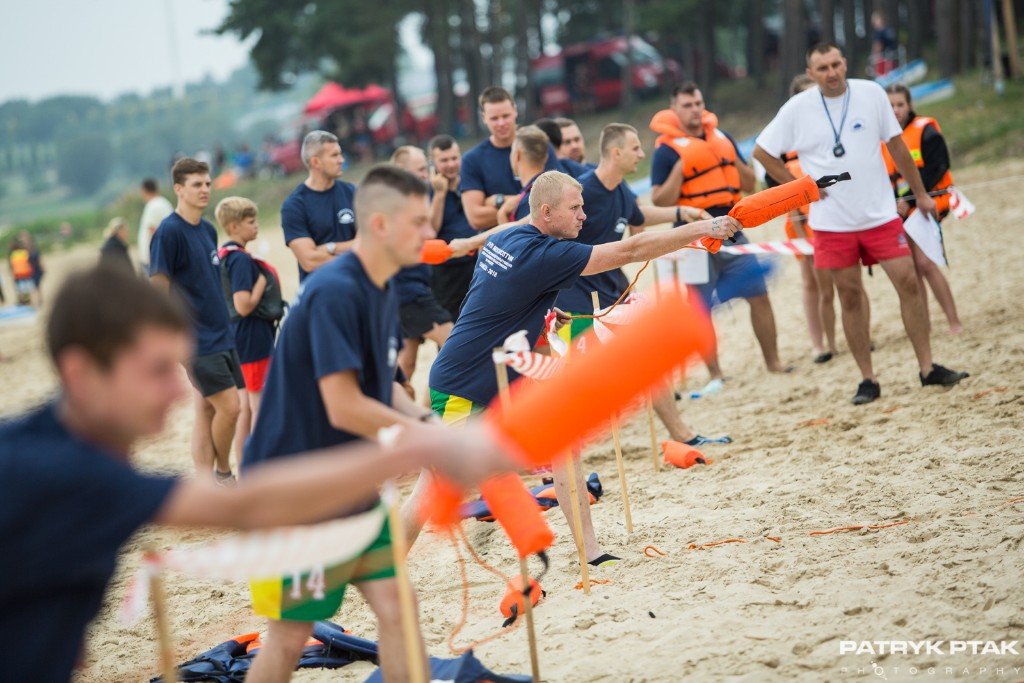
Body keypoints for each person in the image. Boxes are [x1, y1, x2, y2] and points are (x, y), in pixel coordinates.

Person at [0, 264, 509, 683]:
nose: (179, 392)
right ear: (80, 373)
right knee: (289, 635)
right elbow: (244, 504)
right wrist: (424, 445)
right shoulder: (60, 472)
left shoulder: (69, 457)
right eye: (157, 371)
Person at [427, 170, 739, 566]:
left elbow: (499, 296)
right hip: (461, 386)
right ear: (546, 212)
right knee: (431, 491)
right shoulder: (546, 255)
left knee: (564, 447)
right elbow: (631, 249)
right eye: (574, 208)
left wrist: (541, 316)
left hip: (499, 376)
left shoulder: (508, 238)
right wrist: (705, 227)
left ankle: (590, 552)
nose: (583, 216)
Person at [241, 166, 447, 682]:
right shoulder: (335, 290)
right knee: (290, 637)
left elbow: (382, 388)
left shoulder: (382, 286)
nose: (429, 233)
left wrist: (430, 421)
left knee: (399, 607)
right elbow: (345, 406)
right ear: (379, 224)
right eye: (418, 222)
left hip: (346, 484)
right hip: (295, 491)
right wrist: (427, 442)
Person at [753, 43, 968, 405]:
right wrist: (802, 188)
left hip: (880, 213)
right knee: (849, 296)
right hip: (831, 222)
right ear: (811, 73)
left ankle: (928, 367)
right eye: (823, 68)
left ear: (845, 63)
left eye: (836, 64)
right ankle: (868, 379)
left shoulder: (871, 93)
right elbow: (762, 152)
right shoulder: (797, 108)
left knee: (908, 282)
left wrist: (921, 193)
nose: (831, 73)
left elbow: (897, 146)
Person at [552, 122, 733, 448]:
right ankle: (555, 450)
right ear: (616, 152)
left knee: (647, 361)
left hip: (614, 291)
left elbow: (636, 215)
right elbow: (547, 234)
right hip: (576, 301)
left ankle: (684, 435)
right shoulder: (583, 192)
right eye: (635, 148)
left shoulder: (620, 189)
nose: (641, 153)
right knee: (577, 381)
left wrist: (681, 211)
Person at [650, 82, 788, 396]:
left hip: (732, 230)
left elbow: (750, 184)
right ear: (674, 109)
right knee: (699, 309)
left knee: (759, 294)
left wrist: (726, 157)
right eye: (687, 105)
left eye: (698, 103)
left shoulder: (722, 138)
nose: (695, 110)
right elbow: (659, 200)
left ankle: (774, 363)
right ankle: (716, 374)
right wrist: (683, 166)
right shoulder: (666, 152)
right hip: (692, 239)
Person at [150, 158, 243, 483]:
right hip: (196, 340)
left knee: (206, 409)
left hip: (223, 334)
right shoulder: (169, 232)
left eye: (207, 184)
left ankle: (205, 483)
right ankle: (223, 474)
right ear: (178, 189)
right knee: (231, 407)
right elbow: (158, 289)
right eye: (196, 184)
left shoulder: (207, 229)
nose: (205, 190)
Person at [883, 83, 963, 334]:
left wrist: (910, 198)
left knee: (926, 264)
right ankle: (923, 325)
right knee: (912, 269)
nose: (895, 110)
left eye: (900, 104)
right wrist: (894, 202)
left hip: (924, 204)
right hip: (896, 209)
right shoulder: (880, 137)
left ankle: (954, 322)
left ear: (909, 105)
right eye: (890, 105)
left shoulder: (925, 130)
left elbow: (939, 166)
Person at [775, 75, 840, 363]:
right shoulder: (784, 141)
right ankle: (818, 344)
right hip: (802, 222)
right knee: (811, 281)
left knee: (843, 279)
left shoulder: (835, 131)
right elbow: (782, 191)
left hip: (838, 219)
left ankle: (847, 335)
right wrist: (801, 234)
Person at [215, 196, 278, 472]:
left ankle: (245, 465)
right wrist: (262, 281)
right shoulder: (240, 260)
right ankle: (258, 465)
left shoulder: (224, 255)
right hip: (253, 339)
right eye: (251, 222)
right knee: (259, 406)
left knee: (245, 406)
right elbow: (243, 305)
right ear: (233, 226)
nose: (256, 226)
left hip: (237, 338)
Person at [389, 146, 453, 390]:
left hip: (416, 287)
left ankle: (394, 406)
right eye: (420, 170)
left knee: (405, 366)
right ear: (401, 171)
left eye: (426, 168)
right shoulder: (397, 202)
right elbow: (429, 233)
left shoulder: (419, 194)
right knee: (456, 344)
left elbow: (429, 229)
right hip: (407, 292)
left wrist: (438, 195)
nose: (426, 175)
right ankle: (430, 406)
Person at [460, 86, 561, 230]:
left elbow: (557, 198)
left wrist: (499, 201)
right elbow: (476, 218)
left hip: (542, 235)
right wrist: (526, 202)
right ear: (483, 118)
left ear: (515, 110)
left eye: (505, 116)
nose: (501, 123)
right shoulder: (471, 160)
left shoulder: (538, 144)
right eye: (494, 118)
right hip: (498, 240)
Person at [281, 130, 357, 282]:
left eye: (340, 154)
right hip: (321, 292)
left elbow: (370, 244)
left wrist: (330, 247)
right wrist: (355, 259)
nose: (341, 160)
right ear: (316, 162)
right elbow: (310, 261)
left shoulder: (355, 194)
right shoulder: (294, 206)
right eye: (334, 155)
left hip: (358, 289)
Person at [427, 134, 478, 319]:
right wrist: (439, 194)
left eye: (454, 158)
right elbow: (431, 231)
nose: (451, 164)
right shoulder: (426, 191)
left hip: (476, 264)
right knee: (451, 323)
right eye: (444, 160)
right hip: (446, 272)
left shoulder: (472, 183)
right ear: (432, 162)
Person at [139, 178, 174, 276]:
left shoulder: (153, 205)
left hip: (153, 259)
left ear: (144, 190)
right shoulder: (164, 203)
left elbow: (153, 230)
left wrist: (153, 254)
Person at [8, 237, 37, 307]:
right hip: (27, 274)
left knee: (21, 290)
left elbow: (11, 266)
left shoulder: (13, 255)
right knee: (29, 289)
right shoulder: (24, 252)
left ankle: (25, 303)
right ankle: (31, 303)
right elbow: (30, 261)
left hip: (18, 275)